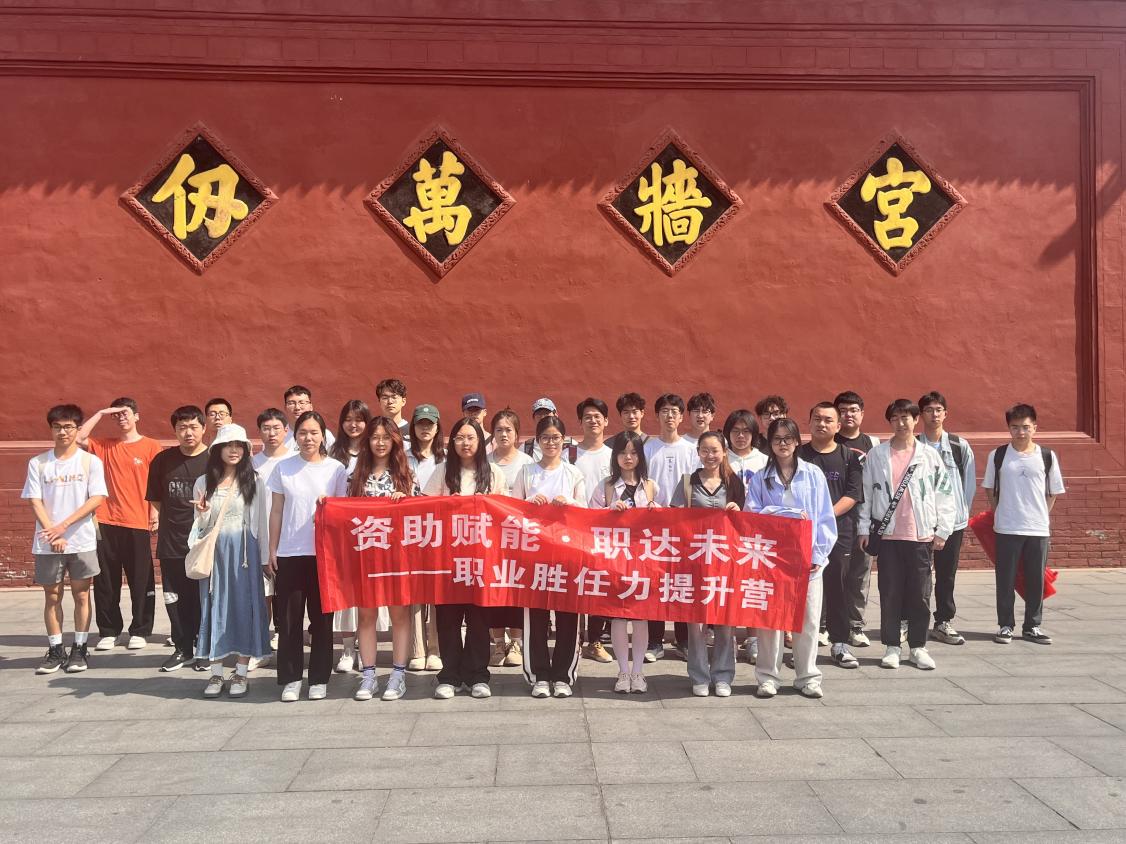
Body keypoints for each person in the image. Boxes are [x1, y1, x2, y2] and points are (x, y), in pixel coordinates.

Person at [858, 399, 955, 671]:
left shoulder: (929, 456)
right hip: (888, 535)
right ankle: (892, 646)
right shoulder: (877, 455)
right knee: (890, 592)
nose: (901, 423)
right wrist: (863, 528)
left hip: (920, 535)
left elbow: (944, 493)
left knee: (920, 594)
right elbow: (866, 493)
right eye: (895, 418)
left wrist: (943, 530)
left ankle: (918, 647)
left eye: (906, 418)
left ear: (915, 420)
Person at [745, 418, 837, 699]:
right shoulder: (760, 478)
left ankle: (808, 676)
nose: (782, 444)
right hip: (771, 562)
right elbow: (752, 515)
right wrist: (784, 514)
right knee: (769, 621)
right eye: (777, 439)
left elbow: (824, 517)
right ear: (770, 444)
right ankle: (767, 677)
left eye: (788, 438)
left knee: (807, 620)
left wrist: (818, 554)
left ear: (797, 441)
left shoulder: (813, 475)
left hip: (807, 561)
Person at [266, 410, 349, 702]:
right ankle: (291, 678)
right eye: (302, 433)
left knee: (322, 620)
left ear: (323, 436)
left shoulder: (335, 469)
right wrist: (272, 548)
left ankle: (318, 678)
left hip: (323, 555)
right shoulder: (283, 468)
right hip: (290, 552)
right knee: (289, 621)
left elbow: (341, 512)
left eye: (314, 433)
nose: (308, 438)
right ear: (295, 436)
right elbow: (277, 511)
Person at [422, 417, 507, 699]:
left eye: (471, 437)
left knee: (479, 620)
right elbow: (424, 508)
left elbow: (505, 513)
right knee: (448, 619)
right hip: (447, 560)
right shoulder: (442, 471)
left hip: (482, 560)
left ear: (481, 441)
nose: (465, 443)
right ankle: (450, 676)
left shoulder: (493, 473)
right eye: (459, 438)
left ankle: (477, 675)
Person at [23, 404, 107, 674]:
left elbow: (96, 498)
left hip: (81, 540)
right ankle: (55, 649)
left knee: (82, 594)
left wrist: (63, 527)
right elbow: (35, 500)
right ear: (51, 429)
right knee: (52, 596)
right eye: (57, 427)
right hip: (47, 541)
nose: (63, 432)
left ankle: (79, 649)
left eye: (68, 427)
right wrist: (52, 531)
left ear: (77, 429)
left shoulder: (90, 461)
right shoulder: (38, 463)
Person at [189, 424, 271, 699]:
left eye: (239, 445)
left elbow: (261, 522)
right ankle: (215, 672)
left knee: (245, 608)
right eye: (228, 445)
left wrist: (264, 558)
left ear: (246, 450)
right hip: (216, 555)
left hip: (245, 555)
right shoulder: (204, 482)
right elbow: (199, 528)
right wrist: (203, 513)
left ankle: (241, 672)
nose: (234, 450)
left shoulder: (255, 481)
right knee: (213, 607)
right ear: (218, 449)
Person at [76, 398, 164, 652]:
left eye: (126, 413)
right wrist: (101, 412)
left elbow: (157, 483)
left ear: (137, 416)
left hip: (137, 521)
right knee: (105, 580)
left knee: (141, 579)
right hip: (105, 520)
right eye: (117, 415)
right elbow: (79, 438)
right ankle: (109, 631)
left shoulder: (151, 446)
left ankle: (140, 630)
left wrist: (155, 512)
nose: (121, 417)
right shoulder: (104, 445)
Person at [512, 415, 588, 698]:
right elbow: (512, 510)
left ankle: (563, 675)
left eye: (556, 438)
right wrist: (528, 504)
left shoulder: (573, 473)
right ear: (538, 441)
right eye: (545, 438)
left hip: (568, 556)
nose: (550, 443)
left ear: (563, 441)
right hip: (534, 556)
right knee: (536, 617)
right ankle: (539, 675)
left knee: (568, 616)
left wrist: (570, 503)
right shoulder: (526, 472)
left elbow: (586, 512)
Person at [982, 403, 1065, 646]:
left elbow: (1053, 492)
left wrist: (1041, 514)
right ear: (1009, 428)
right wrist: (1000, 512)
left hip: (1037, 528)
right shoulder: (998, 455)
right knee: (1005, 579)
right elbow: (990, 488)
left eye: (1026, 427)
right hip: (1007, 527)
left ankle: (1032, 626)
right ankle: (1005, 625)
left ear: (1034, 428)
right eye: (1015, 427)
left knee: (1035, 579)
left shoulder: (1046, 456)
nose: (1020, 432)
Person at [349, 416, 419, 701]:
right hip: (365, 555)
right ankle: (368, 675)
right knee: (367, 615)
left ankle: (398, 674)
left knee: (399, 614)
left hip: (397, 556)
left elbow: (420, 513)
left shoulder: (407, 472)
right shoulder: (357, 474)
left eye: (386, 437)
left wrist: (405, 501)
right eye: (375, 437)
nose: (380, 443)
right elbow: (345, 511)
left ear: (395, 440)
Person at [670, 431, 745, 697]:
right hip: (695, 561)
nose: (710, 455)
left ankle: (723, 675)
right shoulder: (687, 482)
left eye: (715, 450)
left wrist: (738, 513)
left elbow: (748, 523)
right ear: (698, 452)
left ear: (724, 452)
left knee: (725, 619)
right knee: (696, 623)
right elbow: (673, 518)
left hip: (726, 562)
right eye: (705, 450)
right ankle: (699, 675)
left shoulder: (734, 483)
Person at [590, 430, 658, 693]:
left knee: (640, 618)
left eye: (633, 452)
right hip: (614, 561)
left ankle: (638, 671)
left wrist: (656, 510)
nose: (628, 457)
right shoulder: (606, 486)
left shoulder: (650, 486)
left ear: (640, 456)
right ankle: (622, 672)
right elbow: (588, 519)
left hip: (643, 562)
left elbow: (665, 523)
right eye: (622, 452)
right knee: (618, 618)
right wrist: (609, 512)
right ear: (615, 456)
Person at [799, 402, 863, 670]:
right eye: (817, 419)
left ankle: (839, 643)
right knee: (801, 589)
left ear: (838, 426)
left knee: (837, 586)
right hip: (801, 533)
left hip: (837, 533)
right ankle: (801, 647)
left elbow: (852, 495)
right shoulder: (799, 455)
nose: (821, 424)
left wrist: (824, 516)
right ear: (809, 423)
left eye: (828, 420)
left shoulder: (848, 457)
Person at [146, 405, 210, 672]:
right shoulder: (163, 461)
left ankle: (205, 648)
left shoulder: (214, 460)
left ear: (204, 428)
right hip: (172, 542)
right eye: (182, 427)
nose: (188, 432)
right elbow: (156, 499)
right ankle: (183, 648)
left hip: (204, 543)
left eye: (193, 427)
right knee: (175, 598)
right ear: (175, 430)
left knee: (205, 597)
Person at [642, 393, 700, 660]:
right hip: (652, 523)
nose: (669, 416)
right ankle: (654, 641)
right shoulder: (648, 448)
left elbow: (695, 483)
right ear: (657, 415)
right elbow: (641, 481)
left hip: (683, 524)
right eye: (664, 411)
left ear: (681, 417)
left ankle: (683, 640)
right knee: (655, 582)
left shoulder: (690, 449)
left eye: (674, 411)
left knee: (681, 582)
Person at [917, 391, 976, 646]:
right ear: (921, 415)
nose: (934, 414)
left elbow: (968, 485)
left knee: (946, 574)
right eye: (929, 410)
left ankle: (943, 621)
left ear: (945, 413)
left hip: (952, 523)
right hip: (920, 521)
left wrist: (958, 515)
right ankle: (911, 619)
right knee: (917, 574)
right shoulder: (914, 445)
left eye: (938, 410)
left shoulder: (958, 446)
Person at [328, 399, 374, 675]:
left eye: (359, 419)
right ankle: (347, 649)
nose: (353, 425)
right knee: (346, 589)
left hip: (370, 531)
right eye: (348, 419)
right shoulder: (333, 453)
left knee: (368, 592)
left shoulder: (374, 450)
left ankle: (367, 648)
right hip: (343, 531)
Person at [486, 408, 533, 668]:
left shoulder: (527, 463)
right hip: (490, 536)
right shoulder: (484, 461)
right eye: (499, 430)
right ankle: (497, 642)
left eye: (508, 430)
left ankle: (515, 642)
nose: (504, 434)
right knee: (493, 587)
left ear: (517, 434)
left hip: (518, 536)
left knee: (516, 589)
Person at [834, 389, 881, 648]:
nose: (848, 415)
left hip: (865, 519)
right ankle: (827, 624)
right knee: (832, 572)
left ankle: (855, 625)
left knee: (860, 574)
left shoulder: (872, 444)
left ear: (862, 414)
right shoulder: (830, 441)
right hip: (836, 517)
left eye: (853, 410)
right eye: (842, 411)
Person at [723, 409, 767, 664]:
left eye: (746, 431)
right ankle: (727, 638)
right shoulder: (719, 457)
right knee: (729, 585)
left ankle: (753, 638)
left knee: (753, 586)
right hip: (727, 533)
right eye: (735, 431)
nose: (740, 436)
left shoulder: (764, 461)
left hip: (755, 534)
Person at [574, 397, 613, 664]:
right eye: (587, 416)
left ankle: (595, 640)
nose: (593, 421)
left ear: (606, 421)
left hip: (604, 530)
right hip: (575, 527)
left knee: (600, 585)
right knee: (575, 584)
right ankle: (575, 640)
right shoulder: (570, 454)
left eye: (598, 416)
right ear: (580, 422)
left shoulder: (613, 455)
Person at [406, 403, 444, 671]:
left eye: (429, 424)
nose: (425, 429)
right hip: (411, 530)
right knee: (415, 591)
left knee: (438, 591)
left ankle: (436, 649)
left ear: (437, 427)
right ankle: (417, 649)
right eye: (420, 424)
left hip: (441, 531)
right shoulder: (403, 457)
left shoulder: (446, 458)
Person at [251, 408, 289, 655]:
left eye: (276, 428)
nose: (271, 433)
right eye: (266, 428)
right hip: (259, 538)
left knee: (286, 596)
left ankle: (284, 638)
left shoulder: (295, 460)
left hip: (289, 540)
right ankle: (261, 643)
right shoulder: (251, 464)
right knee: (262, 595)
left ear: (286, 430)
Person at [522, 398, 578, 462]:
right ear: (534, 419)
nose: (542, 418)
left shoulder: (572, 446)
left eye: (546, 414)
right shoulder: (526, 447)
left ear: (556, 415)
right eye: (539, 414)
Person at [282, 385, 335, 451]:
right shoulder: (279, 435)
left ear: (311, 407)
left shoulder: (325, 435)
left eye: (302, 403)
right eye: (291, 403)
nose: (297, 407)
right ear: (285, 407)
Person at [375, 378, 411, 442]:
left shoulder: (412, 431)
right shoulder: (373, 430)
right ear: (379, 402)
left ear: (403, 401)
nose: (390, 402)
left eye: (394, 397)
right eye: (385, 398)